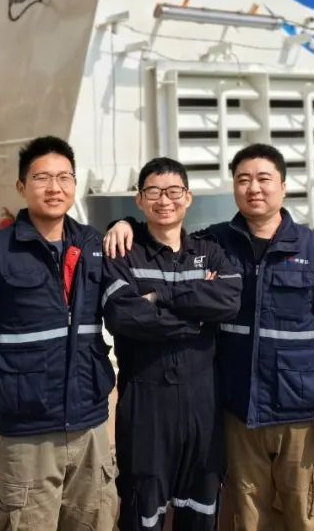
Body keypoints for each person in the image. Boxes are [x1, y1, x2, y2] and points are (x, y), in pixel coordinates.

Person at [104, 143, 314, 531]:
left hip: (299, 412)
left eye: (263, 179)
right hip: (237, 410)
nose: (254, 188)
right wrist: (123, 223)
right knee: (248, 518)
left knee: (304, 516)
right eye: (243, 180)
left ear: (283, 187)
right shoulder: (217, 241)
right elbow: (164, 230)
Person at [0, 136, 118, 531]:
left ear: (74, 184)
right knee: (27, 521)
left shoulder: (94, 244)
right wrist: (11, 378)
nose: (54, 187)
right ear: (21, 186)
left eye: (64, 177)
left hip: (89, 421)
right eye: (42, 178)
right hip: (26, 428)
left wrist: (124, 222)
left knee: (96, 518)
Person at [102, 157, 242, 530]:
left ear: (188, 198)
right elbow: (123, 316)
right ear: (139, 199)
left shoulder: (210, 251)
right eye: (154, 192)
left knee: (201, 501)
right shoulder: (122, 252)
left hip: (203, 402)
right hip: (146, 401)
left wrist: (160, 297)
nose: (164, 200)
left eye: (174, 191)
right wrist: (197, 318)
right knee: (142, 503)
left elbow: (229, 301)